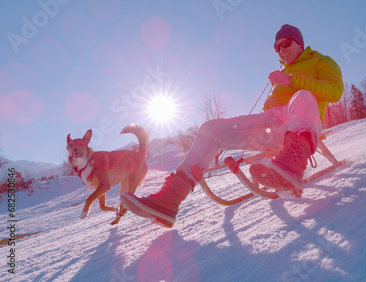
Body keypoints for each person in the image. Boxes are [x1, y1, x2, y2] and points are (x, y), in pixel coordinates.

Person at [121, 24, 344, 227]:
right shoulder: (282, 72)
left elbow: (336, 91)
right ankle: (170, 199)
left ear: (300, 43)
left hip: (300, 122)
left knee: (303, 95)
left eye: (286, 43)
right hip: (271, 127)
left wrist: (292, 81)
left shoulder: (320, 61)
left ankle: (291, 168)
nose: (281, 50)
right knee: (210, 129)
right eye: (276, 48)